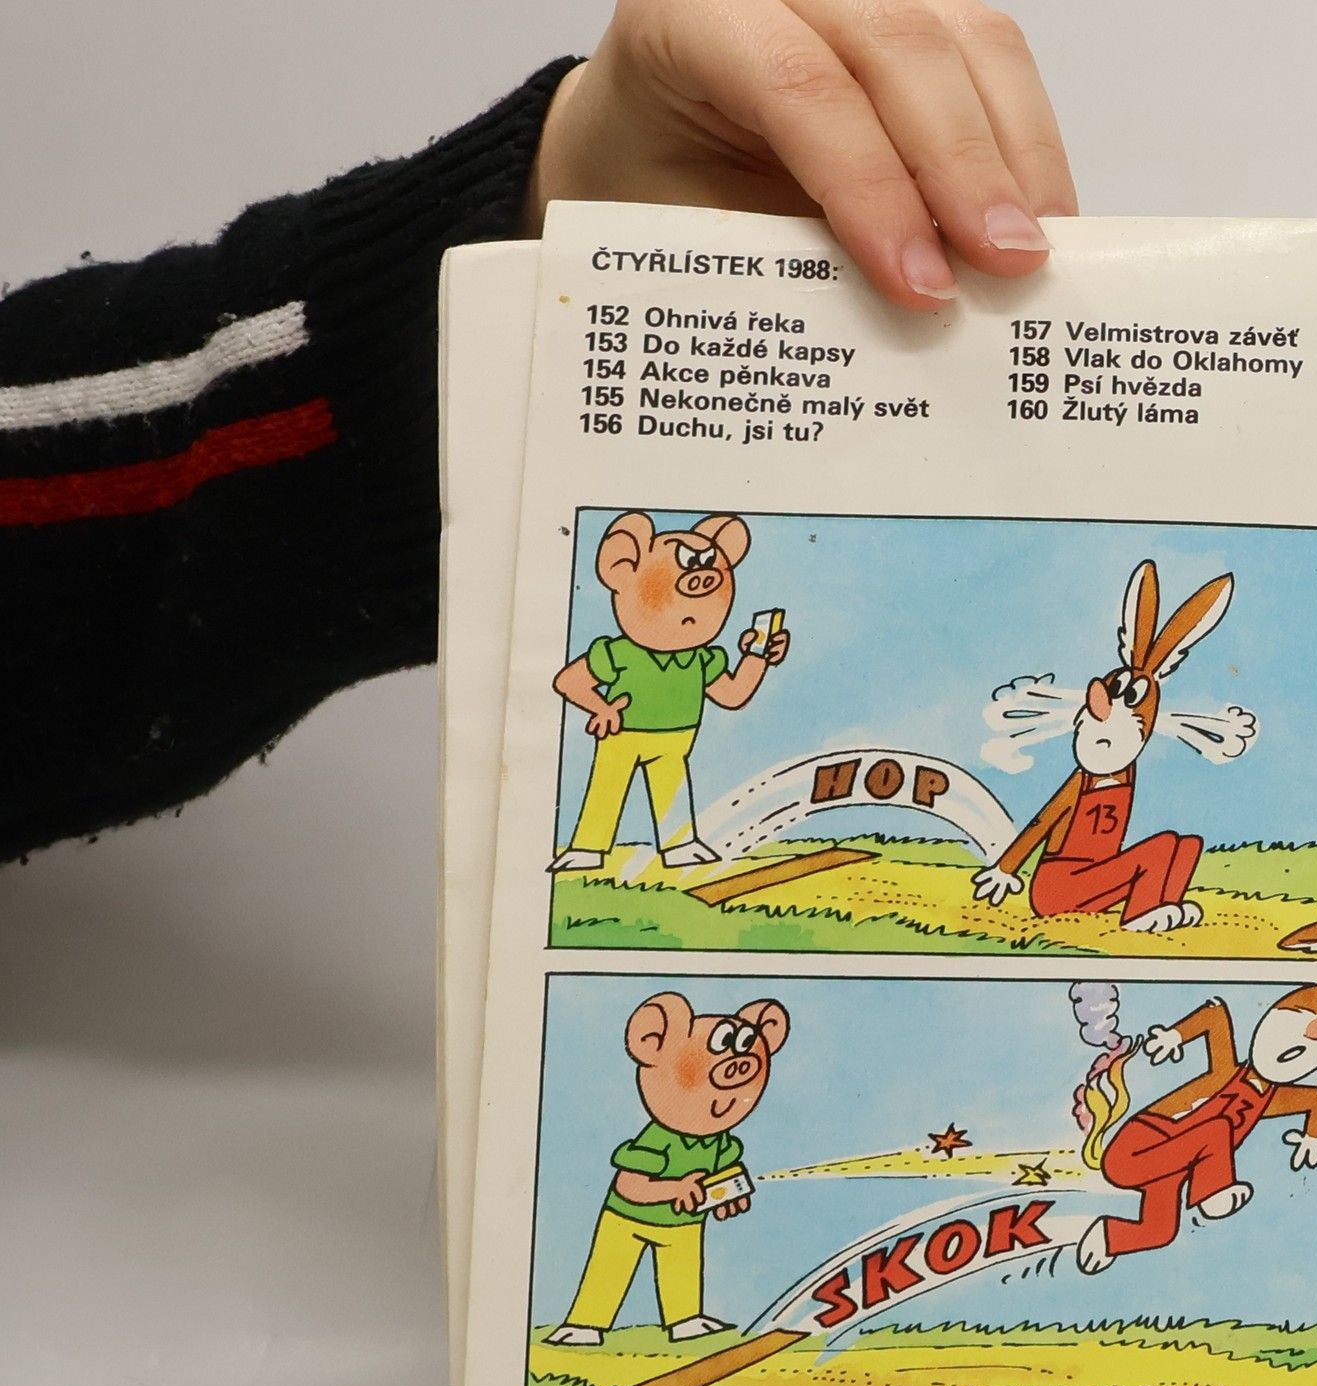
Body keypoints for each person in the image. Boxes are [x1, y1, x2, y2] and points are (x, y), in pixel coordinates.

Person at [0, 1, 1073, 863]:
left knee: (670, 798)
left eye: (708, 573)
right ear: (622, 565)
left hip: (659, 717)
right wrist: (597, 698)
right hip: (618, 734)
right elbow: (574, 677)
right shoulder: (621, 642)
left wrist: (494, 299)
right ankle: (601, 851)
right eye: (692, 568)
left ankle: (675, 846)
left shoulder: (696, 649)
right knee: (610, 801)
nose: (703, 583)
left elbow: (731, 692)